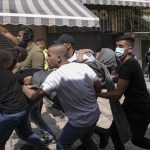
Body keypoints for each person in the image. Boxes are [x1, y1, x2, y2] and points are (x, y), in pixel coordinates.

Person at [23, 44, 102, 150]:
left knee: (62, 145)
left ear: (59, 58)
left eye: (49, 55)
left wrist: (24, 87)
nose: (46, 58)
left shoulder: (56, 75)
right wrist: (91, 97)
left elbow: (33, 97)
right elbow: (98, 83)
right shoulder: (82, 66)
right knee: (86, 139)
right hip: (94, 113)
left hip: (80, 121)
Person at [98, 35, 150, 150]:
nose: (117, 48)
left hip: (140, 109)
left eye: (121, 46)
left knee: (137, 140)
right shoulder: (127, 61)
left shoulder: (129, 65)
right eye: (116, 46)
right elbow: (122, 77)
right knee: (114, 133)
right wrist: (109, 79)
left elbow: (117, 95)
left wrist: (96, 93)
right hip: (130, 106)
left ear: (130, 49)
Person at [0, 48, 49, 150]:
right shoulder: (8, 72)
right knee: (26, 134)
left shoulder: (8, 72)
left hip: (10, 113)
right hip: (22, 108)